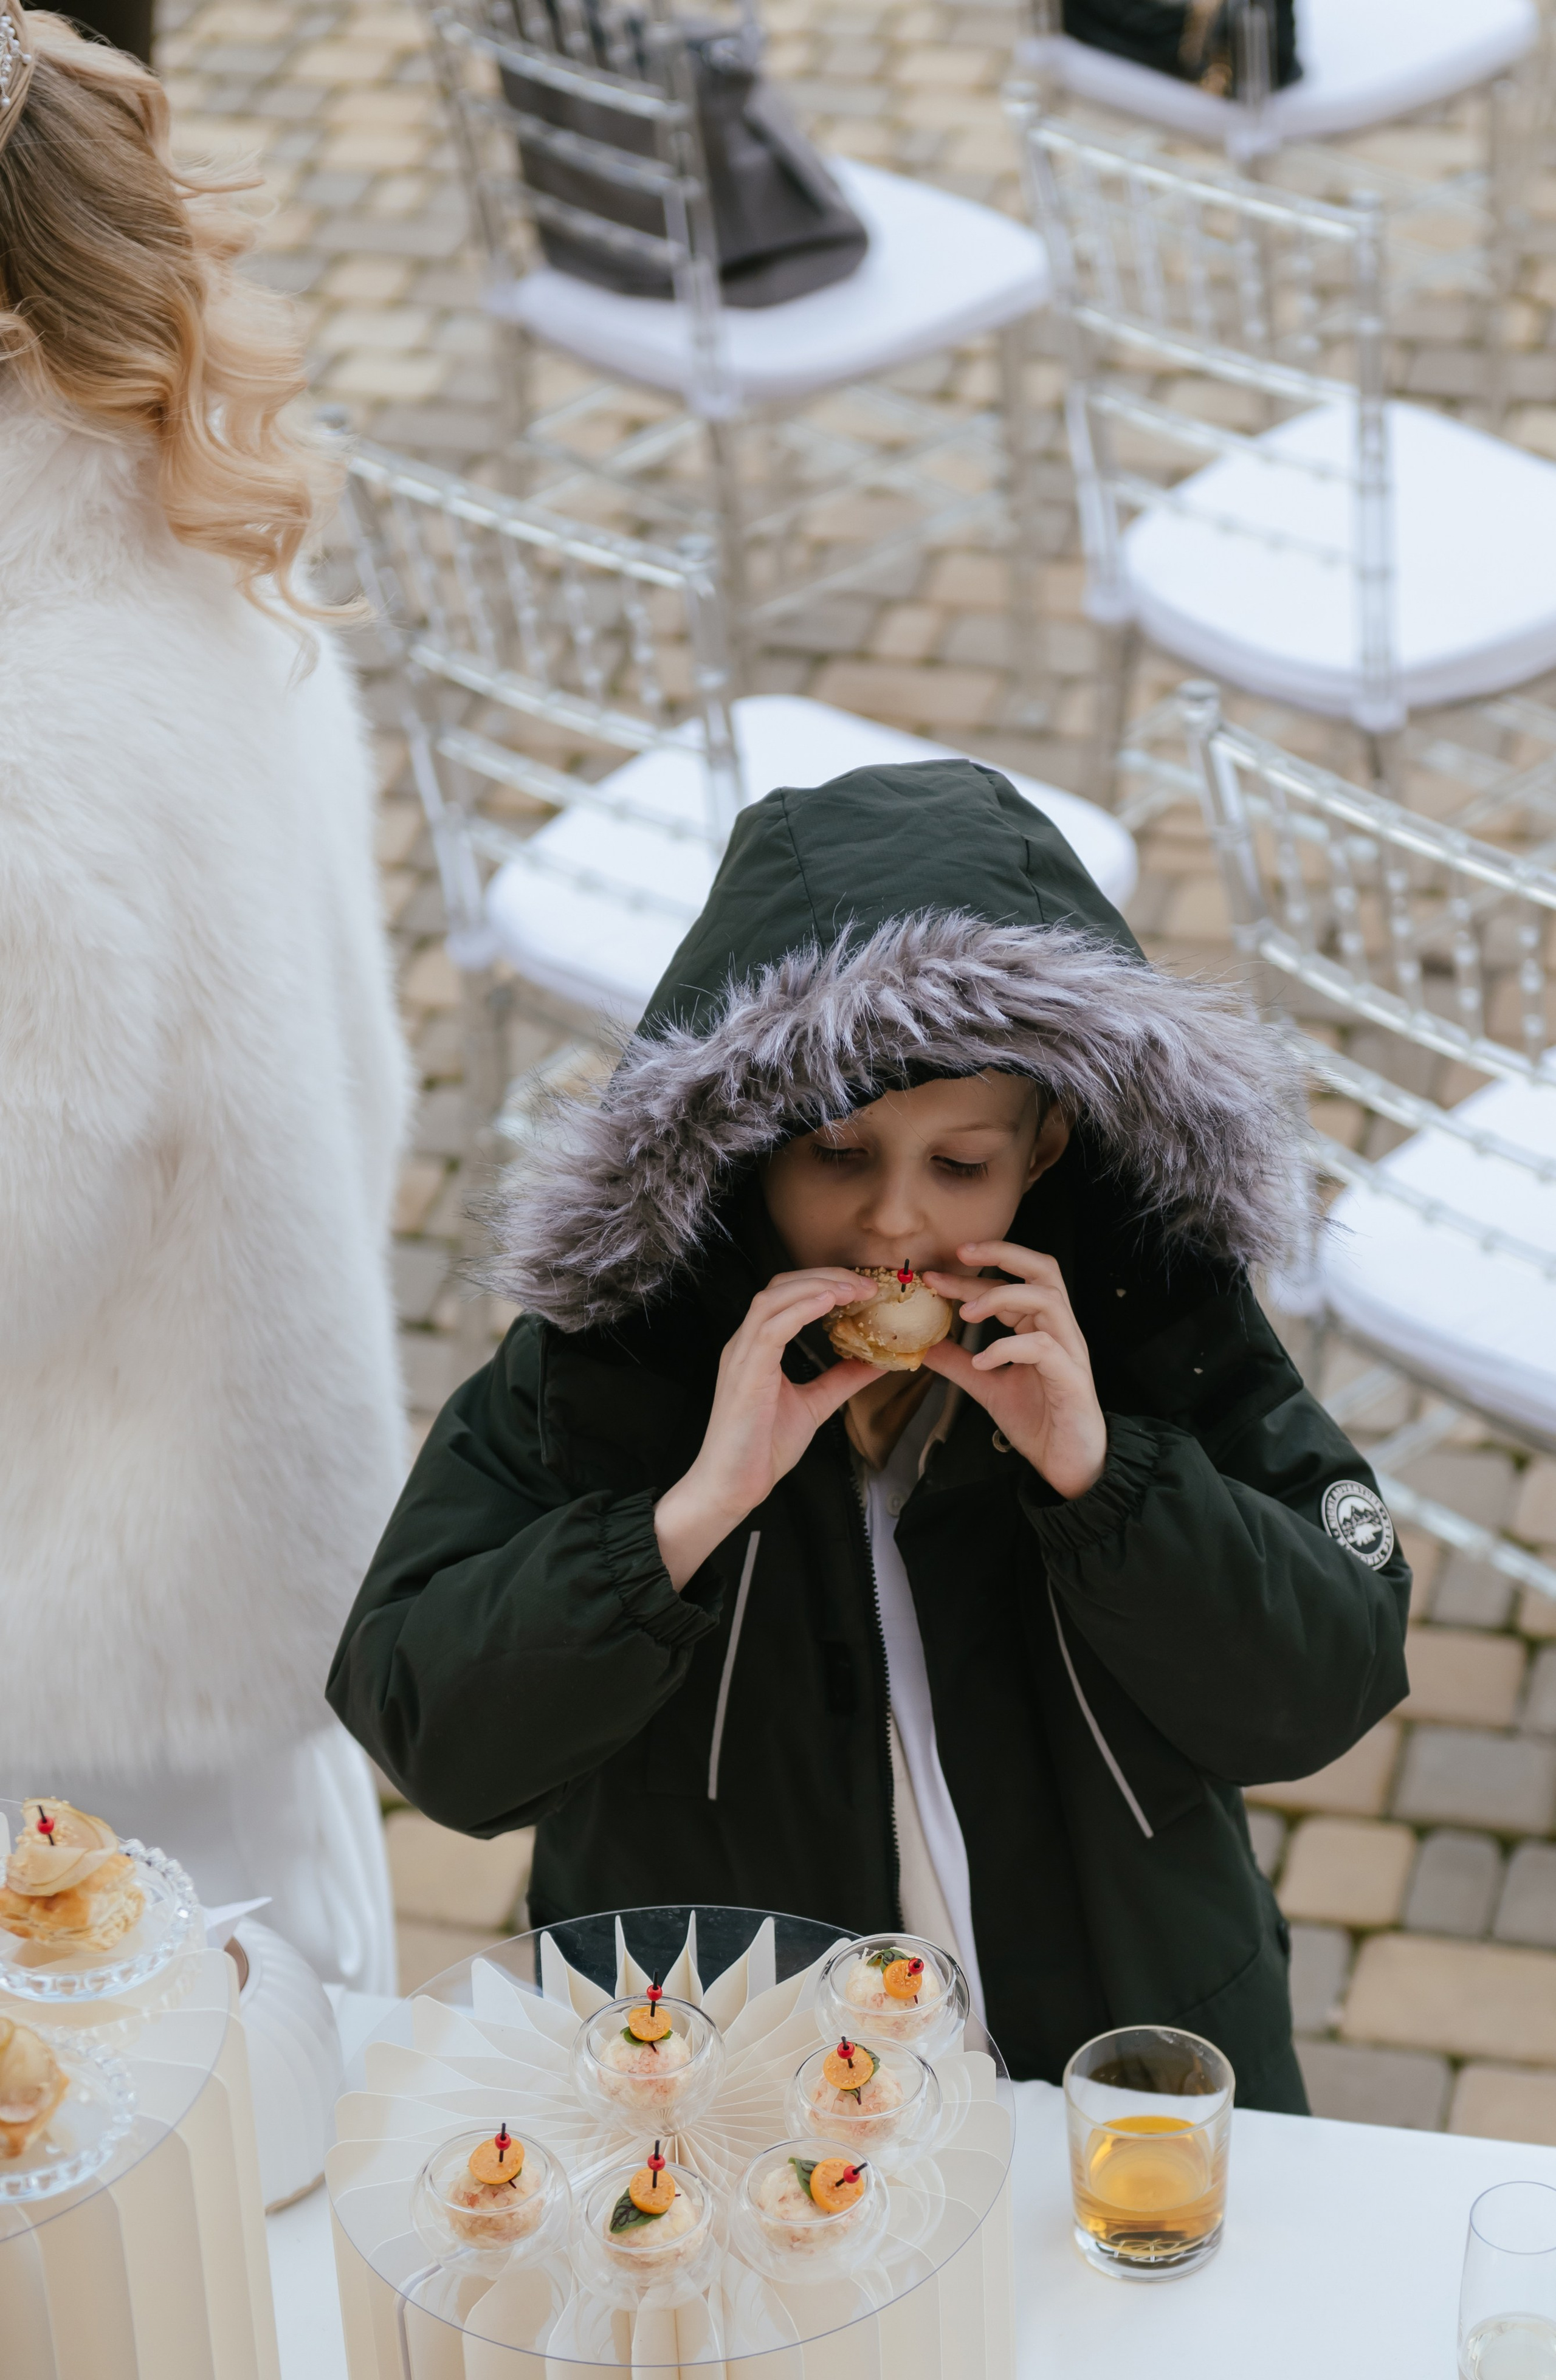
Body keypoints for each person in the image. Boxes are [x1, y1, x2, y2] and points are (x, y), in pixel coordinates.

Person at [329, 758, 1410, 2104]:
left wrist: (1105, 1478)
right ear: (744, 1143)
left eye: (959, 1165)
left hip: (1105, 2088)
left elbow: (1323, 1681)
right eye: (836, 1158)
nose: (895, 1222)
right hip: (736, 2108)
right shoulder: (617, 1365)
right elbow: (430, 1726)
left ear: (1048, 1146)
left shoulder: (1147, 1324)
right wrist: (685, 1517)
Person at [0, 7, 407, 1989]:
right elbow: (369, 1072)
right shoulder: (224, 568)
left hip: (66, 1695)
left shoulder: (24, 736)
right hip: (257, 1563)